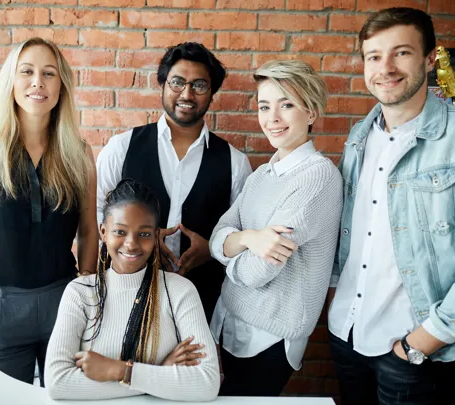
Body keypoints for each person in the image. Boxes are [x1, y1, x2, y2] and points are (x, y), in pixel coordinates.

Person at [327, 7, 455, 405]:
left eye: (401, 53)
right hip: (347, 334)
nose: (386, 67)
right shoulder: (358, 137)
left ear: (429, 58)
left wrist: (423, 341)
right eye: (374, 56)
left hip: (416, 349)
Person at [0, 37, 98, 386]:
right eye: (27, 72)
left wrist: (84, 295)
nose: (38, 82)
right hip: (3, 307)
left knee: (63, 397)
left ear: (61, 85)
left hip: (63, 302)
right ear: (11, 81)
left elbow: (90, 230)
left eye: (49, 73)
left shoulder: (78, 152)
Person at [209, 60, 343, 396]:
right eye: (265, 106)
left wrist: (231, 249)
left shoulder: (318, 177)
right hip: (231, 323)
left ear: (312, 112)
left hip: (268, 334)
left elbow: (255, 273)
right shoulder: (262, 175)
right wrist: (249, 238)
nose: (273, 118)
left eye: (287, 105)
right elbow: (217, 235)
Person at [96, 42, 252, 323]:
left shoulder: (235, 162)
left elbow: (244, 233)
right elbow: (95, 212)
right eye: (177, 82)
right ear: (163, 84)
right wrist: (133, 241)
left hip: (200, 303)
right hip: (125, 297)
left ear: (212, 93)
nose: (187, 94)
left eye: (200, 85)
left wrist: (214, 249)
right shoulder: (121, 147)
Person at [45, 179, 220, 401]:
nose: (131, 244)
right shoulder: (80, 293)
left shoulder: (180, 291)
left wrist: (121, 371)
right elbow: (58, 383)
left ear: (157, 237)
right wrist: (160, 374)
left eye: (144, 234)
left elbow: (207, 382)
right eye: (120, 232)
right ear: (103, 232)